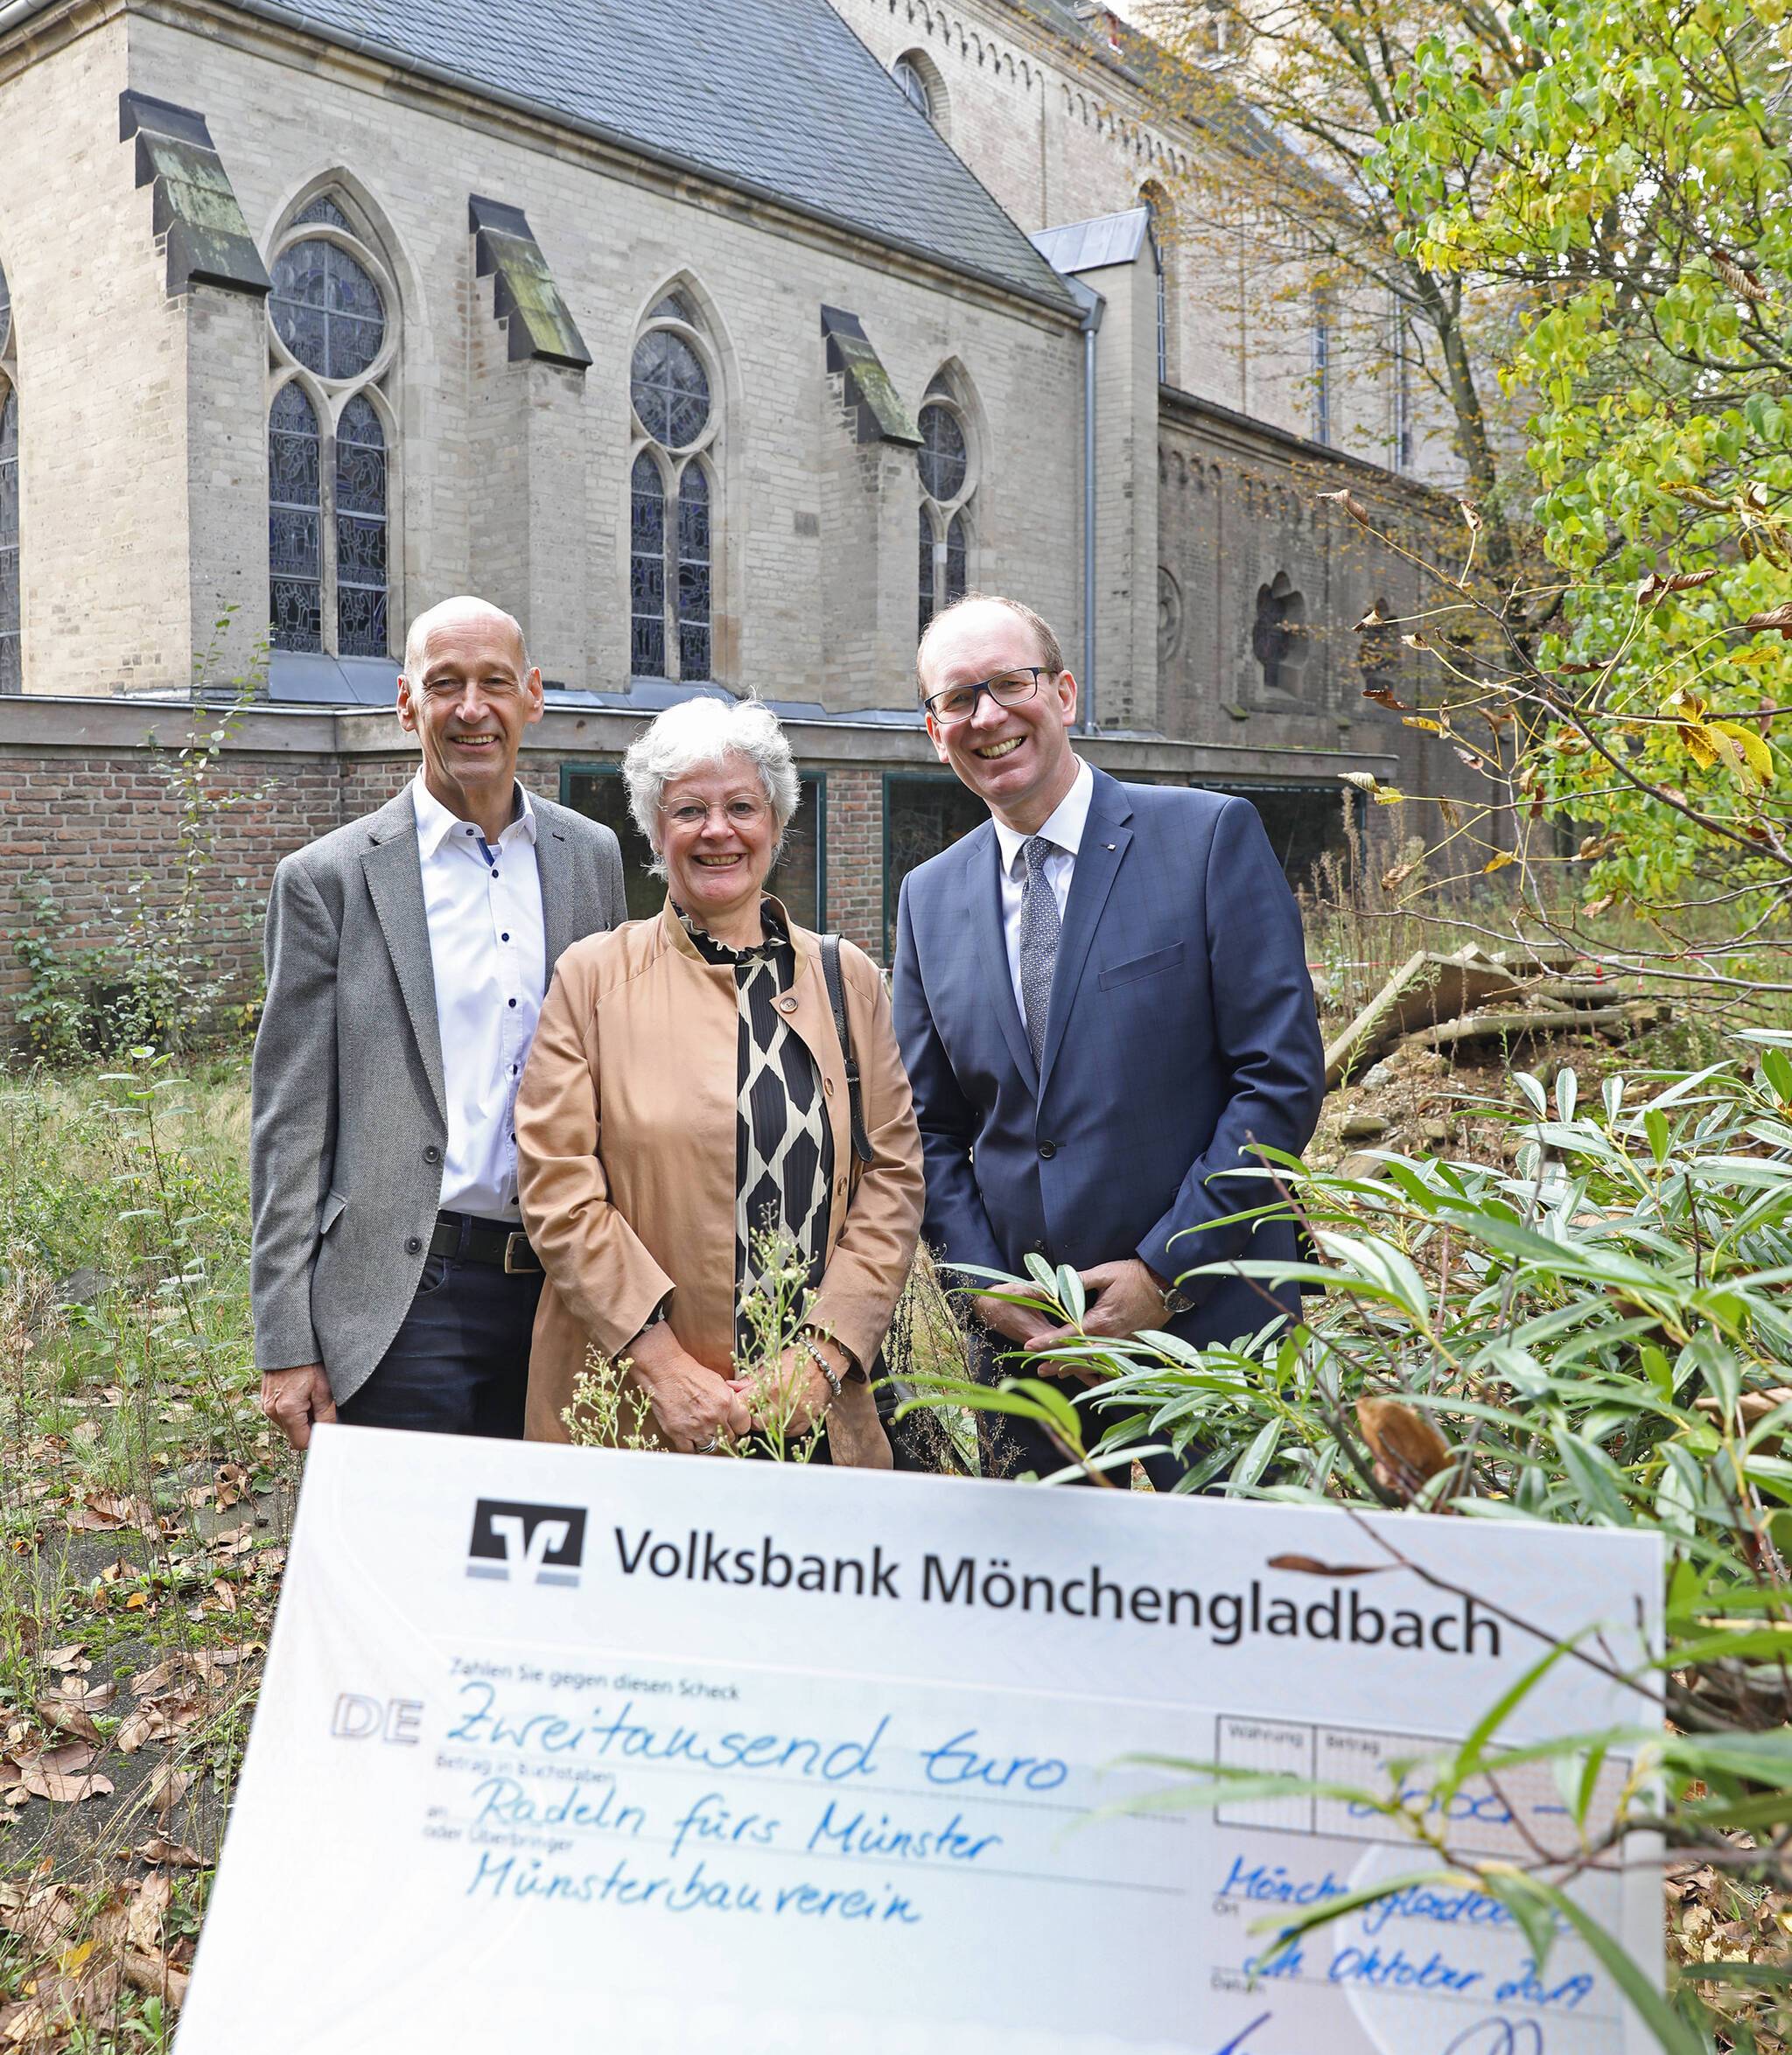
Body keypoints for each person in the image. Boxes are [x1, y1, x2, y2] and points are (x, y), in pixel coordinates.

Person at [891, 594, 1324, 1483]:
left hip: (1211, 1320)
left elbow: (1275, 1080)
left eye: (1009, 684)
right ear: (935, 733)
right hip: (1028, 1358)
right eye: (957, 699)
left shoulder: (1205, 839)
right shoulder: (926, 899)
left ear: (1065, 694)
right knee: (1042, 1611)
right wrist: (986, 1290)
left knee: (1230, 1592)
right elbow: (924, 1129)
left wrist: (1164, 1269)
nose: (987, 716)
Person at [251, 596, 626, 1449]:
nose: (470, 708)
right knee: (409, 1568)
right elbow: (288, 1125)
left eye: (494, 682)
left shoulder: (590, 858)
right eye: (444, 684)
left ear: (532, 696)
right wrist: (284, 1343)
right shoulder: (329, 881)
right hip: (400, 1297)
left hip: (564, 1292)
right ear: (405, 702)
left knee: (544, 1562)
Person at [515, 697, 923, 1464]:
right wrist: (662, 1365)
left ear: (775, 822)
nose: (718, 831)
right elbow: (557, 1188)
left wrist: (823, 1357)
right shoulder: (593, 977)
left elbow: (893, 1179)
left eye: (742, 806)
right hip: (632, 1408)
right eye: (689, 810)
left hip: (814, 1414)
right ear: (655, 828)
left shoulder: (848, 978)